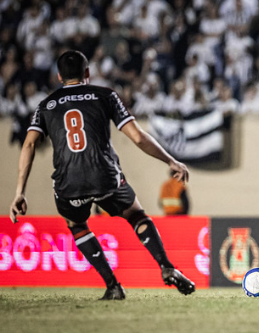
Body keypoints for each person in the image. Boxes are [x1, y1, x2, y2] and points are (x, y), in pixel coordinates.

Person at [9, 50, 195, 300]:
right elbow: (138, 137)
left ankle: (113, 286)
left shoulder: (46, 105)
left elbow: (29, 145)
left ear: (59, 76)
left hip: (68, 182)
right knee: (136, 214)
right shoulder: (105, 95)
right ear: (87, 73)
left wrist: (20, 192)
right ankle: (166, 266)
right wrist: (170, 160)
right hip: (104, 175)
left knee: (76, 224)